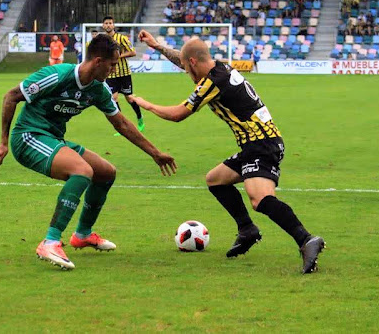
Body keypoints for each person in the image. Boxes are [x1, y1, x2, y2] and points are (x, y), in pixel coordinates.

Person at [131, 31, 325, 274]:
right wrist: (157, 47)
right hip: (256, 143)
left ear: (193, 63)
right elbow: (185, 59)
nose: (186, 73)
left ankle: (306, 240)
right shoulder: (220, 68)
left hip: (262, 144)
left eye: (186, 67)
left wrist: (145, 104)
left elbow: (178, 114)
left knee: (260, 199)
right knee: (215, 180)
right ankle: (247, 230)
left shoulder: (214, 81)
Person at [0, 33, 176, 270]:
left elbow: (121, 123)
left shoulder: (98, 90)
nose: (114, 70)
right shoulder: (57, 75)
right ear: (98, 61)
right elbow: (11, 96)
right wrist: (3, 143)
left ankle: (82, 234)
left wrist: (155, 153)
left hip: (53, 139)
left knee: (106, 172)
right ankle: (50, 241)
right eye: (112, 65)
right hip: (28, 136)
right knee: (82, 170)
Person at [102, 16, 145, 134]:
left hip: (124, 73)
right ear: (103, 26)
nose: (108, 25)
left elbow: (133, 52)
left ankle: (140, 118)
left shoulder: (121, 38)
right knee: (114, 98)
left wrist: (118, 57)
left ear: (113, 25)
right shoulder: (103, 40)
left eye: (110, 23)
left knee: (129, 98)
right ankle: (121, 126)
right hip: (111, 75)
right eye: (106, 23)